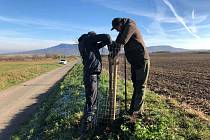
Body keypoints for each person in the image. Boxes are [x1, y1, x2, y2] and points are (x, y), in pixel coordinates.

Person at [110, 17, 150, 120]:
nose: (117, 30)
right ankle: (133, 109)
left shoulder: (130, 26)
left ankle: (137, 112)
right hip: (134, 62)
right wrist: (113, 54)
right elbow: (118, 42)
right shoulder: (123, 29)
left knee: (140, 86)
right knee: (136, 85)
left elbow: (122, 40)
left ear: (121, 23)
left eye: (117, 28)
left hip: (142, 60)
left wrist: (115, 50)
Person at [78, 31, 112, 132]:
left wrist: (103, 44)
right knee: (92, 100)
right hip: (91, 74)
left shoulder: (84, 43)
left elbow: (97, 46)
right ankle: (87, 127)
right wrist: (111, 48)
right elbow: (107, 36)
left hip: (90, 73)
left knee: (90, 98)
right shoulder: (89, 38)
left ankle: (87, 122)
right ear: (93, 36)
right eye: (95, 37)